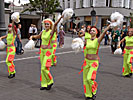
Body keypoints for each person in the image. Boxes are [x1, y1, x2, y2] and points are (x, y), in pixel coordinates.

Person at [29, 15, 64, 90]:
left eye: (48, 24)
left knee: (44, 68)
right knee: (42, 68)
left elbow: (55, 25)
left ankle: (50, 81)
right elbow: (38, 36)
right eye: (45, 24)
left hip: (48, 51)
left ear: (50, 25)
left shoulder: (52, 32)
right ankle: (44, 84)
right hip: (42, 51)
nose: (46, 25)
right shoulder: (43, 32)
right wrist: (32, 37)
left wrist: (60, 18)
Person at [82, 25, 111, 100]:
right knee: (85, 79)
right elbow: (83, 47)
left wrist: (109, 26)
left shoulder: (98, 40)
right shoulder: (87, 40)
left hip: (94, 62)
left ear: (97, 32)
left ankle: (93, 91)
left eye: (93, 30)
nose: (92, 31)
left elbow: (104, 32)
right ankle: (88, 94)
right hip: (86, 62)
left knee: (89, 78)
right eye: (91, 30)